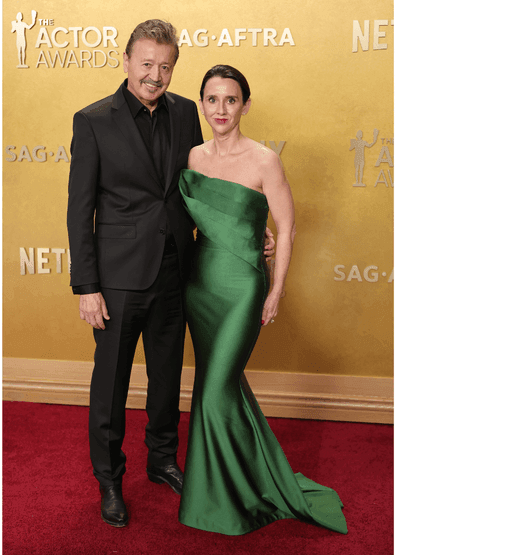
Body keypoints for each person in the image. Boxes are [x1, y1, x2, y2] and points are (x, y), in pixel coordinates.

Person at [65, 21, 274, 529]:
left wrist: (246, 228)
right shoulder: (93, 121)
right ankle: (110, 480)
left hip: (177, 271)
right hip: (116, 280)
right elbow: (79, 209)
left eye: (165, 66)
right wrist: (87, 287)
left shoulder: (184, 112)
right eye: (146, 64)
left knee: (166, 379)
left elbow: (199, 186)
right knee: (111, 384)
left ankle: (162, 460)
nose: (155, 76)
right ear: (126, 61)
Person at [177, 65, 349, 535]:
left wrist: (276, 287)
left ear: (245, 105)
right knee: (222, 387)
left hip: (243, 288)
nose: (221, 109)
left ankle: (223, 498)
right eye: (212, 99)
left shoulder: (264, 160)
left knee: (214, 391)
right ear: (202, 104)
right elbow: (199, 221)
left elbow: (286, 227)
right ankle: (247, 477)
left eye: (231, 100)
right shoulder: (193, 156)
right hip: (201, 286)